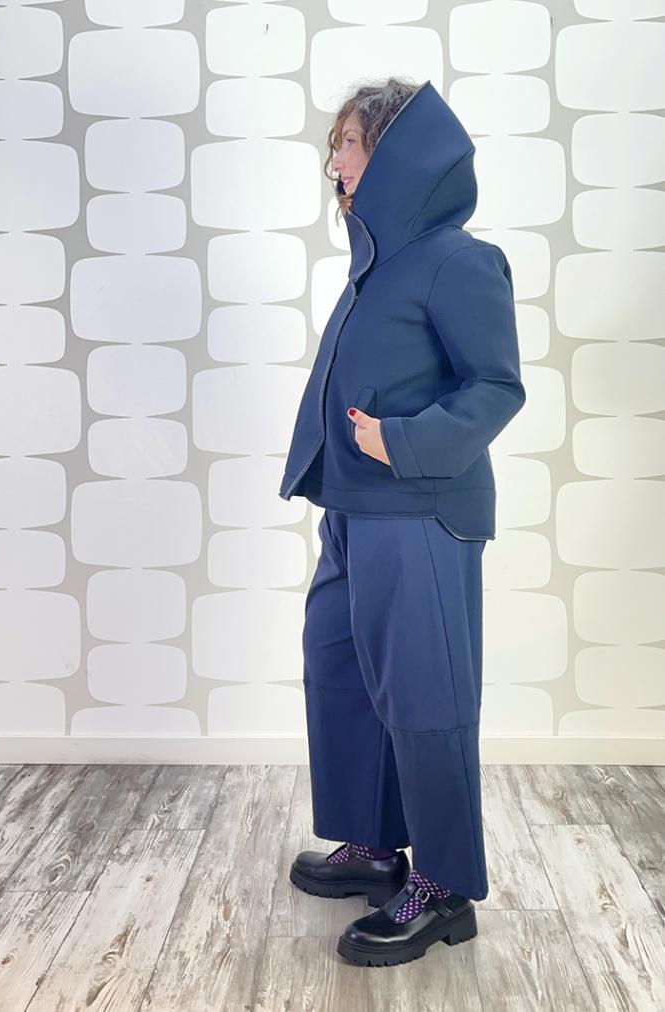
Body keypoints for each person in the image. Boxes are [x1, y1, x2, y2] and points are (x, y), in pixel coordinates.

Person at [282, 77, 526, 967]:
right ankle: (376, 847)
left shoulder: (459, 260)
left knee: (426, 702)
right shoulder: (375, 263)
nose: (335, 164)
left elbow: (497, 387)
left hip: (421, 512)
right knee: (340, 675)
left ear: (396, 153)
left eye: (350, 144)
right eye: (336, 147)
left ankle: (445, 888)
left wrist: (402, 441)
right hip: (352, 510)